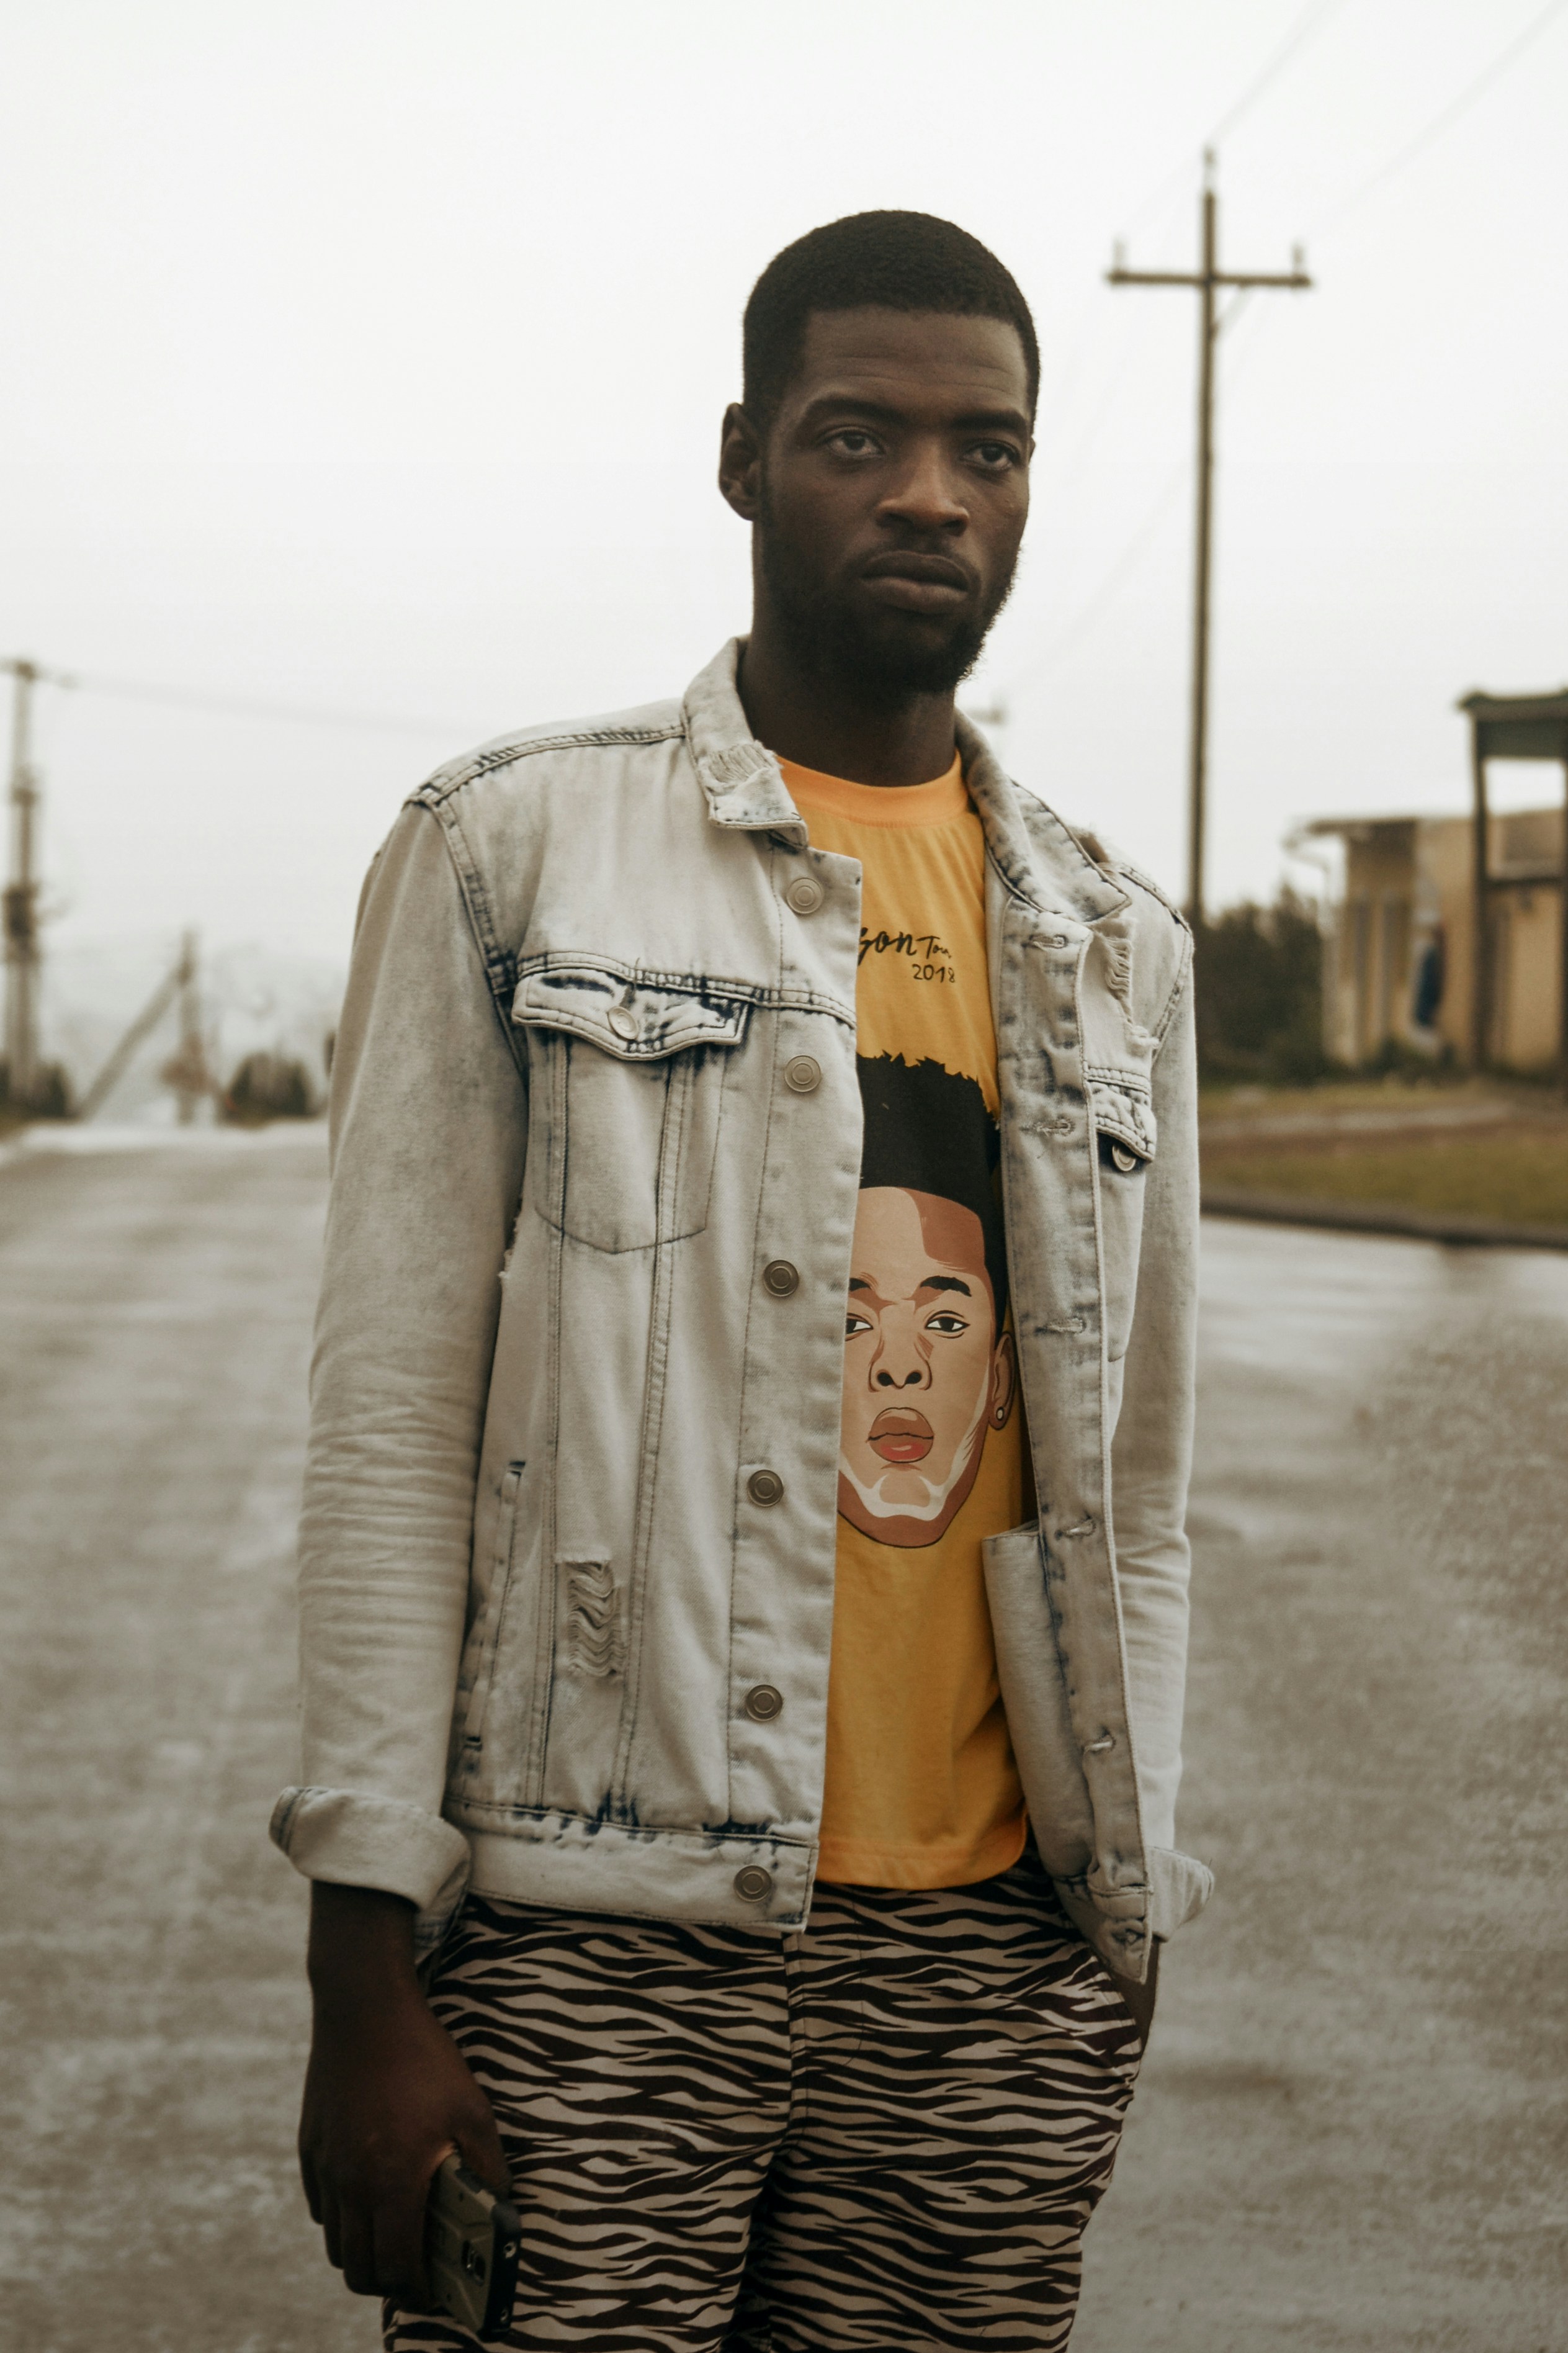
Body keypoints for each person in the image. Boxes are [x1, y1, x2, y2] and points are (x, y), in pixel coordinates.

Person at [276, 209, 1210, 2352]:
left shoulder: (1115, 941)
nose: (927, 495)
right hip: (593, 1923)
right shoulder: (515, 847)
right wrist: (364, 1961)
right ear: (742, 457)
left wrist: (1121, 1931)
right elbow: (399, 1418)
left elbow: (1136, 1485)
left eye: (987, 451)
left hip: (992, 1957)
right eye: (857, 435)